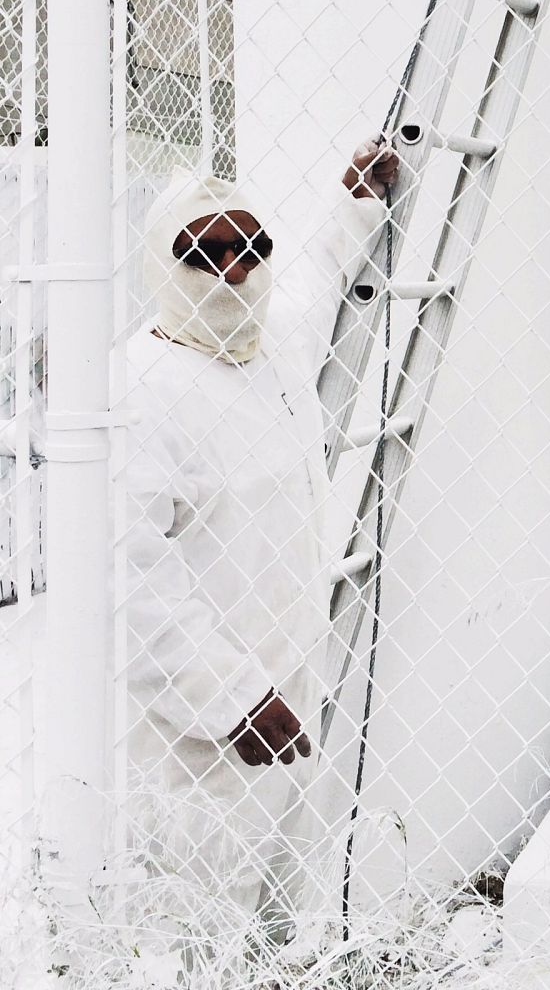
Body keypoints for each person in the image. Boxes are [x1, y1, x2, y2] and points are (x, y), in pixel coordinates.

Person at [124, 140, 398, 937]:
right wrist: (231, 697)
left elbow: (316, 280)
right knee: (184, 915)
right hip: (189, 717)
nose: (234, 270)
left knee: (257, 904)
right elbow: (128, 580)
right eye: (203, 253)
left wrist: (356, 204)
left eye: (250, 248)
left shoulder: (269, 346)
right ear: (161, 265)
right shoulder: (139, 389)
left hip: (283, 687)